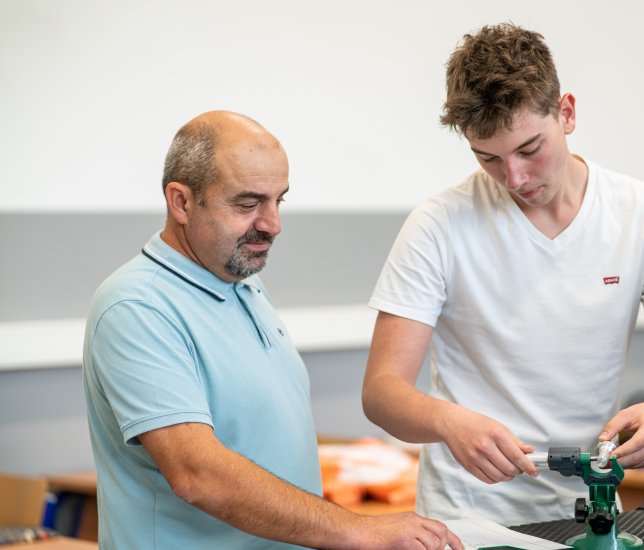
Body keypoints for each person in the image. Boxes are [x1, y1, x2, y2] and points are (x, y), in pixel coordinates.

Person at [362, 23, 644, 525]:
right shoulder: (439, 223)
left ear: (566, 113)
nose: (515, 179)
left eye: (530, 149)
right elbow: (382, 390)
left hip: (592, 503)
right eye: (489, 158)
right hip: (470, 512)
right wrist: (449, 421)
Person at [82, 111, 461, 550]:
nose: (272, 223)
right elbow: (197, 475)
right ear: (181, 202)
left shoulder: (241, 281)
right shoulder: (137, 307)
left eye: (278, 200)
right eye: (247, 204)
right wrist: (357, 529)